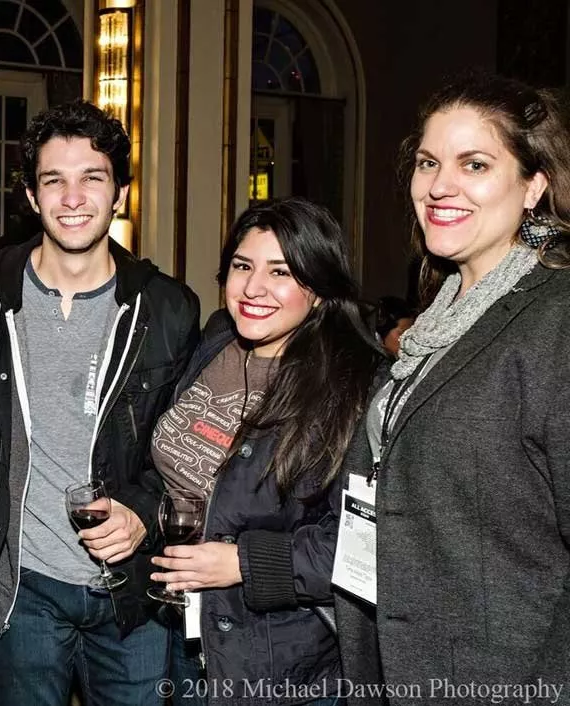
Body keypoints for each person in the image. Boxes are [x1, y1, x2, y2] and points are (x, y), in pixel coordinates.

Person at [0, 99, 200, 705]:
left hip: (129, 596)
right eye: (53, 181)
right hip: (24, 588)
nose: (73, 197)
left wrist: (143, 510)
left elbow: (185, 448)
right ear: (32, 198)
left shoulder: (168, 309)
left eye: (92, 178)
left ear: (119, 193)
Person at [335, 72, 570, 703]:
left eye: (475, 164)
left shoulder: (556, 321)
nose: (441, 185)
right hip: (399, 668)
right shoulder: (440, 317)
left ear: (534, 185)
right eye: (428, 162)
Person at [148, 198, 382, 704]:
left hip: (281, 667)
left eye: (280, 272)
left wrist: (242, 565)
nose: (253, 289)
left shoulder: (356, 389)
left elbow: (366, 546)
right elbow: (182, 470)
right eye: (242, 266)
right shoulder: (216, 341)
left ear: (318, 290)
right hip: (187, 640)